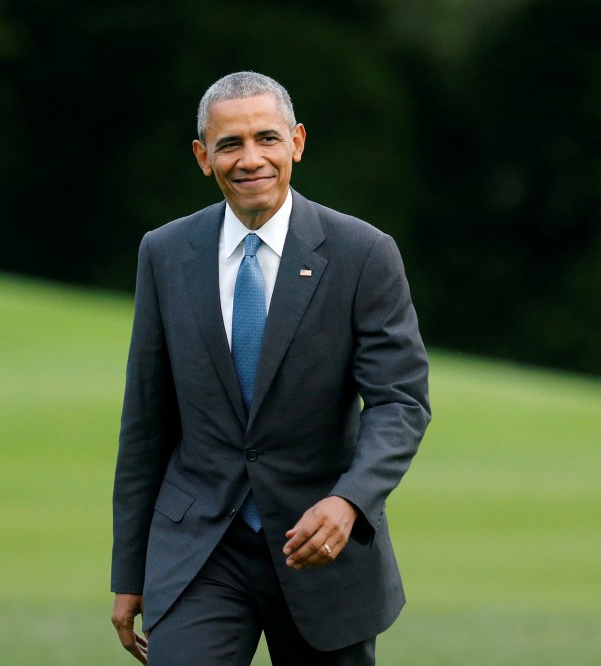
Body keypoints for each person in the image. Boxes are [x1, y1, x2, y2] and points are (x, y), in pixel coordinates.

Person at [110, 71, 431, 665]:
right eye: (230, 144)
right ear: (203, 157)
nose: (250, 159)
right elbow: (147, 423)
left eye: (267, 138)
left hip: (320, 544)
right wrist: (129, 572)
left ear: (297, 143)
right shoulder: (164, 252)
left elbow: (399, 402)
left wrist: (350, 500)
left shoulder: (364, 254)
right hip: (199, 549)